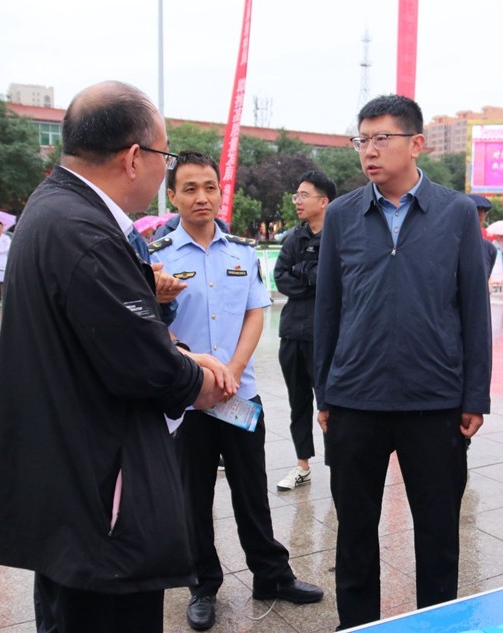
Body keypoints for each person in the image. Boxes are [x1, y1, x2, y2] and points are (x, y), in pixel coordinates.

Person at [0, 81, 227, 633]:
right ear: (134, 157)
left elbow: (104, 336)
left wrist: (174, 350)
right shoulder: (83, 231)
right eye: (165, 157)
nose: (164, 169)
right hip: (97, 502)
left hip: (67, 487)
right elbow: (144, 367)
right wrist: (197, 377)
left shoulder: (53, 208)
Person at [314, 94, 492, 630]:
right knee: (355, 533)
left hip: (434, 401)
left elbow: (473, 309)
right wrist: (324, 392)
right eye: (362, 140)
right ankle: (358, 625)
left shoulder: (456, 213)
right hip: (355, 400)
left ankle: (436, 624)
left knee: (438, 534)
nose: (368, 150)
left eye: (380, 139)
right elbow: (329, 308)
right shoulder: (342, 214)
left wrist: (474, 396)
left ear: (416, 144)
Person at [151, 151, 323, 631]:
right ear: (173, 195)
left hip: (239, 394)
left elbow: (255, 312)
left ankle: (271, 575)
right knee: (194, 496)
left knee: (251, 490)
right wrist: (200, 372)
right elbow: (151, 323)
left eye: (209, 187)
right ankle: (203, 584)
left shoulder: (242, 252)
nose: (201, 197)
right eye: (190, 188)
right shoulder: (156, 254)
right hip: (187, 400)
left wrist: (233, 370)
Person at [274, 169, 335, 491]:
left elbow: (332, 282)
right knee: (298, 403)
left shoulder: (338, 236)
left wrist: (305, 271)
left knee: (329, 404)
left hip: (324, 337)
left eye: (304, 195)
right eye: (296, 195)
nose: (297, 201)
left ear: (324, 202)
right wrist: (309, 276)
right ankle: (302, 465)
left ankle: (338, 465)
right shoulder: (294, 237)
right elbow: (280, 277)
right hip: (291, 333)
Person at [468, 194, 498, 276]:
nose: (475, 218)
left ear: (485, 216)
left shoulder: (490, 249)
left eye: (479, 214)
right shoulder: (452, 245)